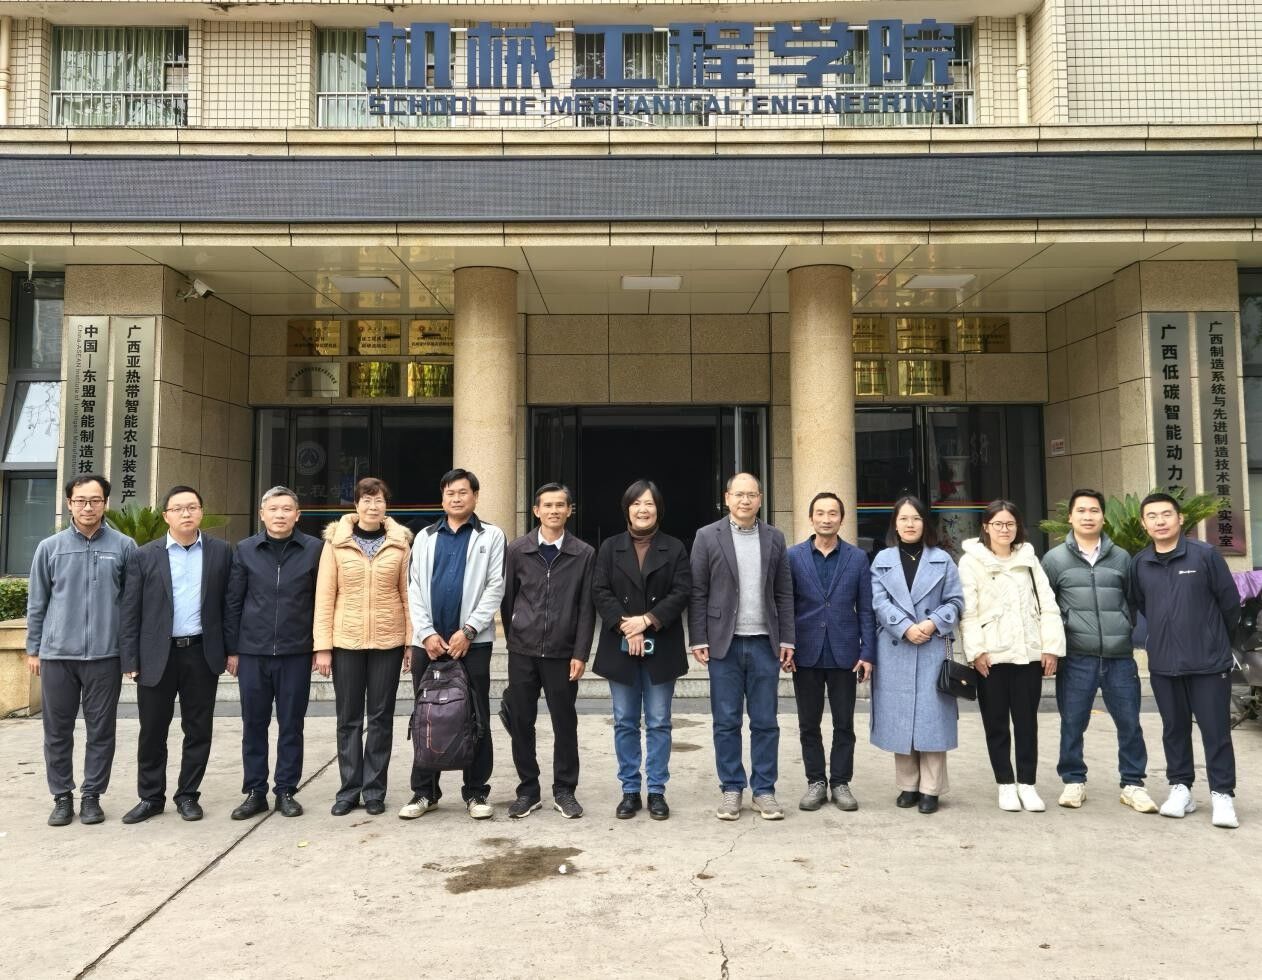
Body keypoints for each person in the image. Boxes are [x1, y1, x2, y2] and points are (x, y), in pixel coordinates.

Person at [26, 474, 137, 827]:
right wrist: (33, 649)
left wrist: (129, 654)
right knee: (57, 731)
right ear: (69, 503)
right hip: (57, 656)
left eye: (95, 500)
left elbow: (132, 605)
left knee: (101, 730)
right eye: (80, 500)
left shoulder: (124, 546)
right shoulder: (50, 548)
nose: (88, 507)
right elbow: (37, 603)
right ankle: (61, 796)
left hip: (106, 656)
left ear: (106, 503)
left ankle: (92, 796)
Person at [117, 486, 231, 823]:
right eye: (178, 508)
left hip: (201, 653)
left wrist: (231, 650)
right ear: (166, 515)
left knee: (198, 729)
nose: (186, 513)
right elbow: (129, 610)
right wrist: (129, 658)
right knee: (153, 730)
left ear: (201, 512)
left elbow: (230, 605)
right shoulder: (144, 555)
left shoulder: (221, 551)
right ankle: (151, 797)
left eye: (192, 507)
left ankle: (188, 795)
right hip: (156, 656)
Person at [1131, 492, 1242, 829]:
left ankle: (1222, 794)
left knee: (1216, 731)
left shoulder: (1205, 555)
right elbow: (1142, 605)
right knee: (1174, 729)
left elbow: (1229, 604)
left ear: (1180, 519)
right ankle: (1181, 789)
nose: (1160, 521)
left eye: (1166, 514)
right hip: (1164, 664)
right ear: (1143, 524)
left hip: (1208, 663)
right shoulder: (1140, 563)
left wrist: (1215, 641)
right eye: (1152, 516)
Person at [400, 468, 506, 821]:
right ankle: (424, 792)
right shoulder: (425, 537)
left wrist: (469, 630)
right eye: (450, 493)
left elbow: (495, 586)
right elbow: (414, 587)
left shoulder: (491, 535)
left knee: (475, 716)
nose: (456, 498)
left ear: (475, 496)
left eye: (463, 492)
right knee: (426, 715)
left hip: (472, 643)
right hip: (428, 643)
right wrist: (426, 633)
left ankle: (475, 792)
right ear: (442, 497)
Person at [1041, 488, 1156, 814]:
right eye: (1081, 511)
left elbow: (1132, 601)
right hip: (1077, 656)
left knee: (1130, 723)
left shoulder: (1122, 558)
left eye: (1094, 510)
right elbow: (1046, 607)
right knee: (1072, 722)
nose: (1088, 516)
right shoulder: (1054, 560)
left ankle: (1133, 783)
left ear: (1103, 517)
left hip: (1119, 657)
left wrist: (1123, 629)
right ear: (1070, 517)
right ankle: (1073, 780)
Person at [688, 472, 795, 821]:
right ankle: (732, 787)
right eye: (739, 494)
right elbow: (698, 592)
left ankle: (764, 790)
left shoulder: (775, 537)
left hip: (765, 643)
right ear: (727, 498)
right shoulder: (707, 536)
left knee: (765, 721)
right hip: (724, 644)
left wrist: (787, 638)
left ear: (760, 499)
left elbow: (784, 592)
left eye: (751, 495)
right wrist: (698, 637)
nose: (745, 500)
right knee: (726, 721)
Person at [591, 479, 691, 820]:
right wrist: (625, 625)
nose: (643, 509)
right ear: (627, 509)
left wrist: (646, 621)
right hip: (620, 645)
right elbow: (600, 590)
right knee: (625, 721)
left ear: (658, 509)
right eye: (636, 503)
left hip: (661, 645)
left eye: (649, 503)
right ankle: (630, 790)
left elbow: (682, 591)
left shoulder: (675, 548)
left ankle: (657, 790)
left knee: (660, 722)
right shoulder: (609, 548)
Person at [314, 477, 413, 817]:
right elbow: (325, 596)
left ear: (387, 505)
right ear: (356, 505)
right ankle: (348, 790)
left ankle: (374, 790)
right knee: (349, 718)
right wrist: (322, 646)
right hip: (346, 641)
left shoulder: (400, 543)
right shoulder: (336, 543)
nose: (373, 506)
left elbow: (408, 595)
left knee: (381, 718)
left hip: (388, 641)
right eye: (366, 500)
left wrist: (410, 642)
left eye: (379, 500)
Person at [958, 499, 1064, 813]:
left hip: (1028, 654)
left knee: (1027, 722)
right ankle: (1005, 783)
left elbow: (1048, 605)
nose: (1004, 530)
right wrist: (976, 651)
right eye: (998, 524)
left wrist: (1050, 647)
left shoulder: (1029, 559)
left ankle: (1027, 784)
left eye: (1010, 524)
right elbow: (968, 612)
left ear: (1018, 527)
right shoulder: (971, 561)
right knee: (996, 723)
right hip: (991, 657)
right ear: (986, 527)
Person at [224, 486, 323, 820]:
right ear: (262, 514)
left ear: (298, 515)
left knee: (291, 724)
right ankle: (255, 791)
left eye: (287, 509)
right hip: (253, 652)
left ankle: (286, 790)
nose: (280, 515)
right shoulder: (245, 549)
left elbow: (322, 600)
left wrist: (319, 646)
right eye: (274, 509)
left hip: (296, 651)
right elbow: (234, 601)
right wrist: (232, 649)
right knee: (254, 723)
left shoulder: (314, 550)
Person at [500, 482, 596, 820]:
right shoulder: (518, 550)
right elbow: (508, 599)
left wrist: (580, 653)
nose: (554, 511)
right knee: (521, 721)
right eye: (548, 505)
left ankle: (565, 789)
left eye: (560, 505)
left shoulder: (583, 553)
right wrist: (517, 634)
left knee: (564, 723)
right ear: (536, 510)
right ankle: (528, 790)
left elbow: (587, 608)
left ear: (569, 510)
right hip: (522, 651)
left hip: (562, 652)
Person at [869, 496, 964, 814]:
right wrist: (905, 627)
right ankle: (908, 785)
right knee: (901, 718)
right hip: (895, 646)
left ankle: (931, 789)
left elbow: (956, 601)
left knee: (931, 717)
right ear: (895, 524)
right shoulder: (882, 559)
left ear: (926, 523)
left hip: (932, 645)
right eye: (904, 519)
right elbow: (878, 602)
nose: (910, 524)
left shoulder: (943, 559)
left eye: (916, 518)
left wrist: (931, 622)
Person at [785, 492, 875, 813]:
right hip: (805, 652)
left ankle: (840, 782)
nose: (826, 519)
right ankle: (816, 782)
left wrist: (868, 652)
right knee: (808, 724)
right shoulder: (793, 556)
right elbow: (786, 606)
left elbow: (867, 610)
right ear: (811, 518)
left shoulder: (857, 558)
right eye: (820, 513)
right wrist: (786, 645)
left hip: (845, 652)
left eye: (832, 513)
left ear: (842, 518)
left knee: (844, 723)